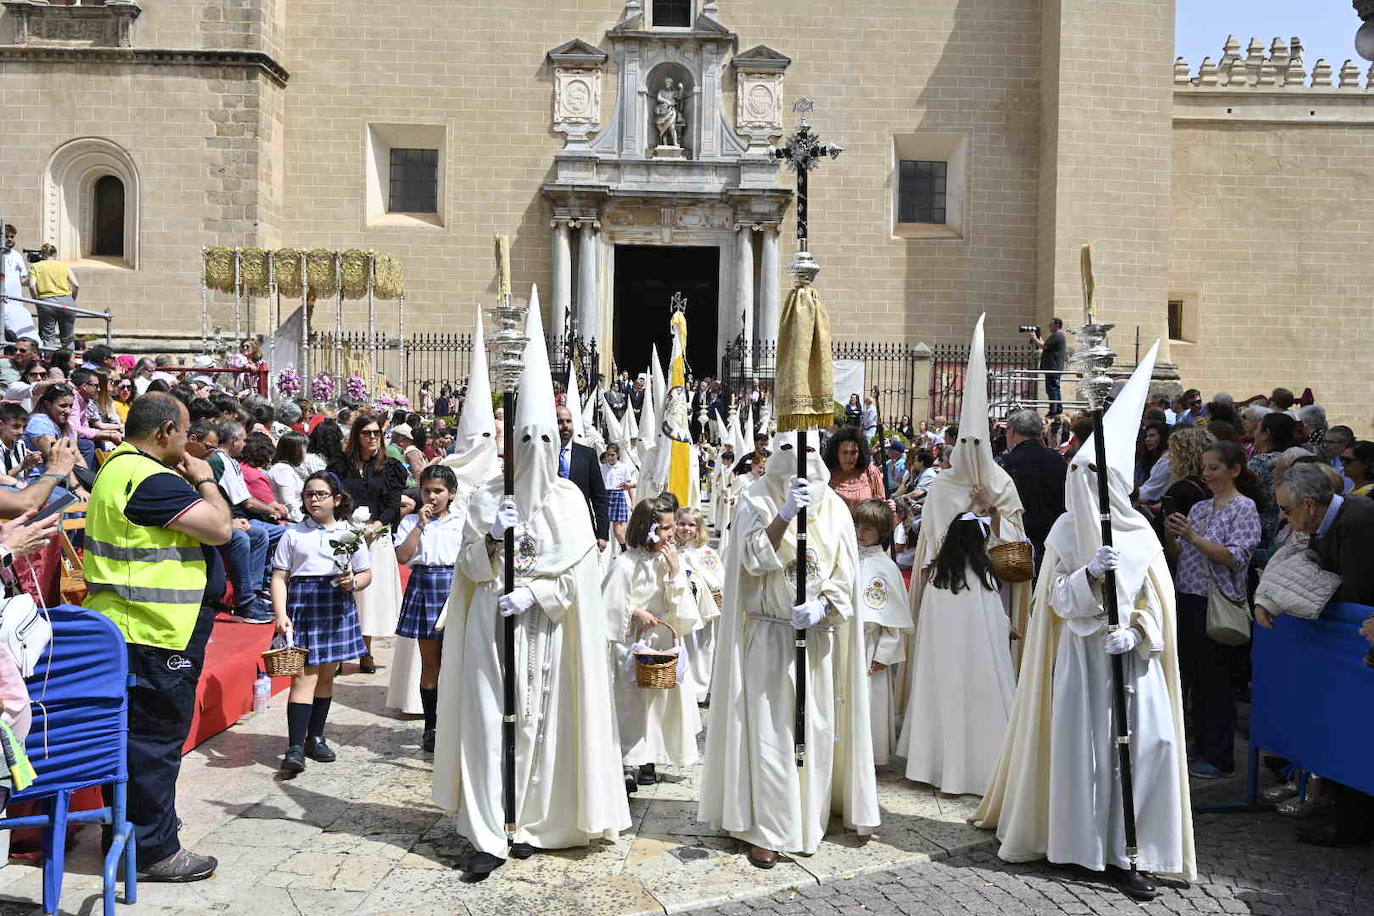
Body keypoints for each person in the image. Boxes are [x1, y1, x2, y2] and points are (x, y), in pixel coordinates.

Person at [973, 344, 1193, 900]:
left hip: (1130, 659)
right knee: (1082, 751)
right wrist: (1089, 577)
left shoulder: (1142, 535)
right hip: (1082, 654)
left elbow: (1159, 604)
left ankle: (1133, 850)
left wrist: (1139, 631)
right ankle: (1081, 846)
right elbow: (1054, 601)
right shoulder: (1067, 534)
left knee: (1149, 746)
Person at [431, 301, 628, 879]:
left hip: (550, 634)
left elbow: (579, 574)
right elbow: (465, 566)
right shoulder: (488, 495)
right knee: (491, 724)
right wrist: (492, 538)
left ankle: (537, 821)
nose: (537, 447)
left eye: (548, 437)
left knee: (546, 723)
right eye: (527, 437)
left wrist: (538, 596)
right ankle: (489, 828)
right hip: (492, 631)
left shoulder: (569, 499)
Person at [699, 430, 878, 869]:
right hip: (769, 634)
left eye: (808, 452)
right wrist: (783, 515)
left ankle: (808, 816)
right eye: (789, 452)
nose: (799, 461)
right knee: (769, 733)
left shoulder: (833, 506)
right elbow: (753, 560)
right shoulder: (754, 500)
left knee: (811, 731)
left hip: (815, 636)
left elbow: (845, 569)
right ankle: (768, 828)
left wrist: (824, 605)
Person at [85, 393, 233, 882]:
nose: (189, 444)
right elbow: (220, 528)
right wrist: (206, 480)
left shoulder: (117, 467)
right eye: (186, 432)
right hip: (153, 630)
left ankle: (132, 833)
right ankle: (154, 851)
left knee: (135, 741)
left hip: (133, 624)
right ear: (166, 431)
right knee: (154, 742)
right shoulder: (149, 477)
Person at [1269, 463, 1374, 846]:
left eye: (1287, 510)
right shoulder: (1325, 523)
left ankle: (1353, 822)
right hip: (1351, 650)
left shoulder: (1358, 521)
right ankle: (1344, 814)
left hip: (1359, 649)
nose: (1283, 517)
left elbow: (1354, 593)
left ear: (1309, 505)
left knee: (1355, 735)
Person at [900, 501, 1014, 793]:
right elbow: (991, 622)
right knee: (975, 710)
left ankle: (935, 768)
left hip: (943, 666)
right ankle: (977, 770)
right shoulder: (983, 577)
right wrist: (1007, 627)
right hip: (978, 666)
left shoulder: (938, 578)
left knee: (943, 708)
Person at [1163, 440, 1261, 780]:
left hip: (1217, 599)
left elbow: (1235, 558)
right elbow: (1182, 559)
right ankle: (1198, 744)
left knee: (1215, 679)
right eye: (1204, 467)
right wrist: (1173, 536)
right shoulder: (1201, 508)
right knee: (1193, 677)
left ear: (1233, 470)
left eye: (1214, 468)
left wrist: (1191, 537)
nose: (1207, 474)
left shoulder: (1243, 508)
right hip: (1188, 596)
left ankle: (1219, 755)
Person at [270, 471, 373, 775]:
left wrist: (352, 581)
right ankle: (295, 746)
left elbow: (366, 573)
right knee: (303, 677)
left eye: (320, 494)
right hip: (304, 604)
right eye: (308, 494)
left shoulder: (349, 534)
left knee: (326, 676)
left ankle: (315, 736)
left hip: (336, 605)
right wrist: (281, 614)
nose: (313, 499)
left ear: (336, 499)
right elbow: (279, 576)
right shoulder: (293, 534)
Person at [604, 496, 702, 791]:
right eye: (666, 528)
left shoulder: (668, 560)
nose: (671, 534)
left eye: (672, 527)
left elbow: (679, 604)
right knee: (633, 704)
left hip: (662, 640)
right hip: (634, 642)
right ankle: (627, 762)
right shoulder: (625, 564)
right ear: (648, 528)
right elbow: (609, 603)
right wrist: (634, 611)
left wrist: (674, 572)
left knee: (660, 703)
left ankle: (651, 759)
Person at [330, 413, 407, 672]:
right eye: (367, 433)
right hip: (346, 533)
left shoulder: (391, 467)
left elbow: (393, 503)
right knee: (344, 593)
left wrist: (376, 525)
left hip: (376, 535)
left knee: (369, 597)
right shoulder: (340, 466)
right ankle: (339, 653)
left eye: (377, 433)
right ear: (356, 436)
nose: (373, 438)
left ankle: (366, 651)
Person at [393, 465, 462, 753]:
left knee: (457, 659)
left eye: (438, 491)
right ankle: (431, 726)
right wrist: (420, 525)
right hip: (425, 583)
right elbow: (403, 555)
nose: (432, 497)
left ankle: (456, 722)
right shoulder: (410, 522)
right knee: (430, 661)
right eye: (427, 491)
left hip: (455, 585)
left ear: (452, 493)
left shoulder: (462, 521)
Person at [851, 499, 913, 767]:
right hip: (845, 640)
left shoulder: (886, 567)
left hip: (870, 647)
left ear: (881, 532)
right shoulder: (846, 556)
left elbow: (894, 621)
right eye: (858, 525)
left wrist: (883, 654)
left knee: (870, 701)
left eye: (869, 529)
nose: (861, 532)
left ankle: (868, 757)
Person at [999, 408, 1067, 570]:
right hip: (1053, 540)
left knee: (1017, 593)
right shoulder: (1057, 460)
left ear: (1012, 431)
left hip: (1017, 542)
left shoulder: (1004, 463)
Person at [675, 506, 722, 706]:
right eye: (682, 523)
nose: (686, 528)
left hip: (703, 608)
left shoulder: (706, 553)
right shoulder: (673, 550)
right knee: (685, 646)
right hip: (681, 607)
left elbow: (717, 579)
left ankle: (701, 690)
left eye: (691, 525)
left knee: (703, 648)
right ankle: (685, 686)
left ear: (699, 528)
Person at [556, 403, 610, 549]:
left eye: (568, 421)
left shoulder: (587, 455)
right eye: (560, 422)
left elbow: (599, 497)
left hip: (582, 527)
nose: (565, 426)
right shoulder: (545, 457)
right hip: (553, 529)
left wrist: (603, 534)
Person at [28, 244, 80, 350]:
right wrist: (72, 298)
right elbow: (76, 285)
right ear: (55, 254)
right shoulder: (63, 265)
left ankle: (48, 361)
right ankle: (68, 362)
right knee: (68, 337)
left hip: (47, 301)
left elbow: (32, 285)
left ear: (42, 254)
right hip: (67, 300)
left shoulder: (36, 266)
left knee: (48, 337)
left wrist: (36, 299)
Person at [823, 425, 886, 510]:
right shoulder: (827, 474)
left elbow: (880, 506)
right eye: (845, 452)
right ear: (836, 453)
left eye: (853, 452)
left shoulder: (870, 472)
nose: (849, 458)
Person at [1, 225, 38, 343]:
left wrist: (35, 274)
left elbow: (23, 280)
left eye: (12, 236)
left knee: (18, 334)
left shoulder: (17, 255)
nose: (10, 239)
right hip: (3, 301)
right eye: (6, 236)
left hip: (16, 303)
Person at [267, 432, 308, 522]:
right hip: (290, 520)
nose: (306, 453)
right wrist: (303, 522)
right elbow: (288, 501)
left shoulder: (287, 468)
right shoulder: (282, 470)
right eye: (304, 449)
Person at [1030, 318, 1067, 416]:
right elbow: (1045, 345)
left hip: (1053, 367)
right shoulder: (1057, 336)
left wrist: (1034, 339)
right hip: (1053, 367)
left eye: (1051, 325)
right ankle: (1057, 409)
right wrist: (1039, 337)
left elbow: (1043, 347)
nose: (1049, 326)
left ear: (1057, 325)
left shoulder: (1057, 335)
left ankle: (1053, 411)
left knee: (1052, 389)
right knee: (1054, 388)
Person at [601, 444, 634, 547]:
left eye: (612, 455)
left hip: (618, 496)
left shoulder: (623, 467)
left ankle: (624, 548)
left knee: (618, 531)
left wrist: (633, 502)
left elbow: (629, 487)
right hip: (605, 496)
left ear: (617, 454)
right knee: (602, 529)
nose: (610, 457)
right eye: (608, 455)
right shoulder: (602, 468)